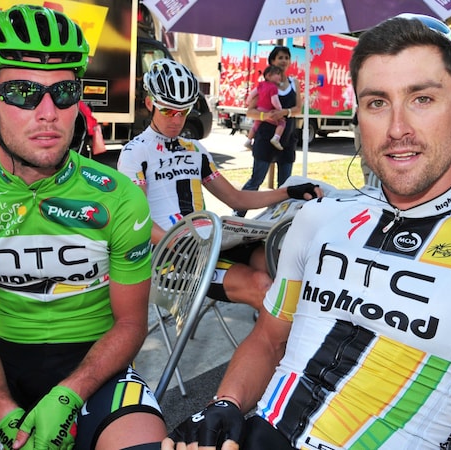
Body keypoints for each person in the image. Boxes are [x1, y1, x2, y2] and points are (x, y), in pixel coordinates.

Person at [163, 14, 451, 450]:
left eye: (422, 98)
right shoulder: (316, 219)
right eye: (377, 102)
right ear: (358, 116)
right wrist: (225, 405)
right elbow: (268, 339)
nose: (398, 129)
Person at [0, 6, 166, 450]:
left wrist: (70, 394)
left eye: (64, 92)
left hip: (97, 365)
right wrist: (0, 411)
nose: (49, 112)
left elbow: (129, 322)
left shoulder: (120, 197)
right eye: (24, 93)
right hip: (4, 364)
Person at [117, 58, 321, 312]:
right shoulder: (135, 152)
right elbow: (136, 221)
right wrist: (180, 241)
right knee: (261, 285)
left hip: (206, 242)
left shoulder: (195, 150)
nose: (176, 120)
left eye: (184, 111)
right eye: (168, 110)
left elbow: (236, 199)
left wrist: (288, 192)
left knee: (277, 264)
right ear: (150, 104)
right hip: (168, 256)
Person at [236, 45, 304, 215]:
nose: (283, 61)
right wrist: (264, 116)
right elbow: (250, 111)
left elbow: (298, 109)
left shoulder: (294, 83)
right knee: (256, 179)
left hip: (286, 138)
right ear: (272, 61)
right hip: (265, 137)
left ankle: (277, 216)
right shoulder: (264, 85)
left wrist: (285, 112)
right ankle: (238, 211)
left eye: (286, 58)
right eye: (280, 57)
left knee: (285, 183)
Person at [244, 64, 288, 151]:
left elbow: (252, 94)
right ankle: (276, 138)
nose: (279, 76)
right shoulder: (273, 87)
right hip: (268, 111)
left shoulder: (261, 85)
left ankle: (248, 140)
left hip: (259, 109)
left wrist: (248, 101)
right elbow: (274, 101)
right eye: (277, 74)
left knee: (256, 125)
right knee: (282, 122)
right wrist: (279, 109)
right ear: (268, 76)